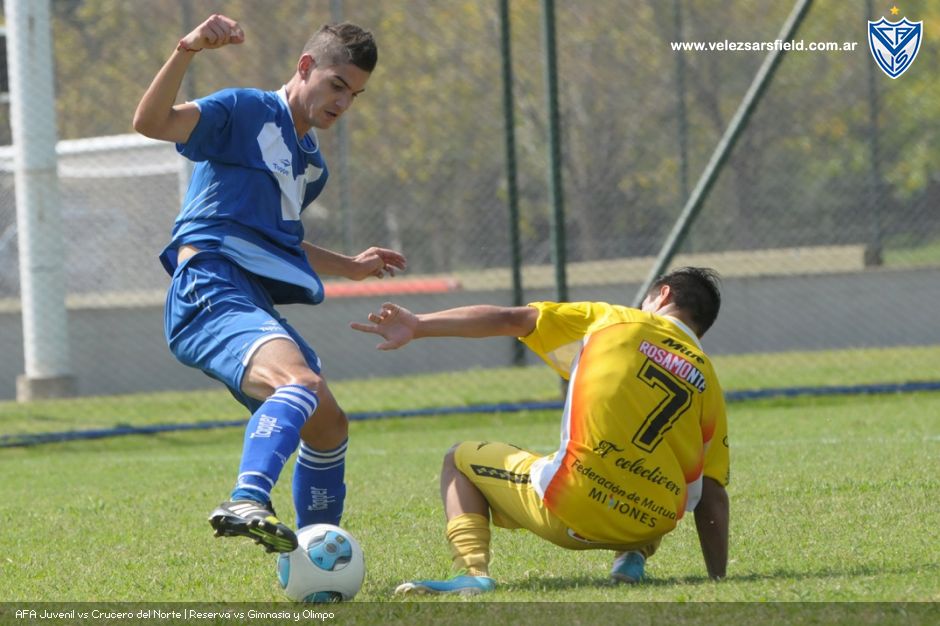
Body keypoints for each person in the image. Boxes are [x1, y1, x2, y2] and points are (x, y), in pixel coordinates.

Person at [133, 14, 406, 554]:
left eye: (354, 94)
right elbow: (151, 121)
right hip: (209, 283)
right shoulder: (246, 109)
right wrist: (187, 48)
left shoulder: (311, 165)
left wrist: (350, 267)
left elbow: (279, 239)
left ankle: (314, 552)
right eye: (336, 85)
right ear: (305, 67)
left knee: (328, 424)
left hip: (247, 296)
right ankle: (246, 499)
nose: (343, 103)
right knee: (297, 383)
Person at [351, 267, 728, 594]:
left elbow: (509, 319)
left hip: (571, 511)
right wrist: (718, 579)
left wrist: (419, 325)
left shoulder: (613, 319)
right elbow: (712, 492)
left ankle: (471, 573)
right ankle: (632, 555)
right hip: (648, 524)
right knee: (662, 464)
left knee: (458, 460)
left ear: (663, 295)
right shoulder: (707, 377)